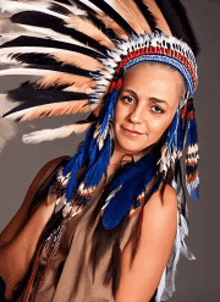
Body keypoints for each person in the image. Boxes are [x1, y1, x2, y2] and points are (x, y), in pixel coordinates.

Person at [0, 1, 199, 301]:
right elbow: (4, 277)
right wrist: (47, 208)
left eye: (157, 108)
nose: (136, 117)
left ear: (174, 119)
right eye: (129, 99)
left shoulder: (156, 204)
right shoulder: (55, 172)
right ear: (112, 97)